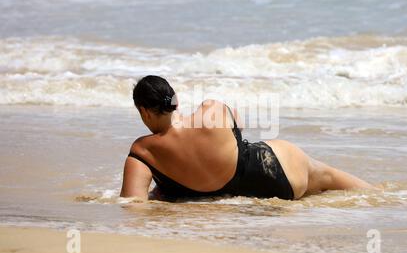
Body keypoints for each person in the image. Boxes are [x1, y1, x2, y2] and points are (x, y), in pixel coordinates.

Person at [120, 75, 376, 201]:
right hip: (276, 173)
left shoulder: (143, 151)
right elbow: (238, 127)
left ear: (143, 111)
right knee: (326, 177)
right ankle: (387, 198)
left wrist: (165, 188)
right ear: (175, 101)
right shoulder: (212, 109)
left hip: (249, 193)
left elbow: (133, 205)